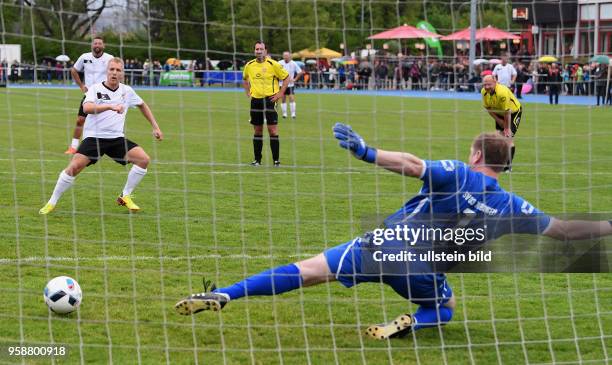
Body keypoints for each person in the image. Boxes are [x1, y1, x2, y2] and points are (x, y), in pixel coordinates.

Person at [174, 124, 612, 340]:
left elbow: (412, 164)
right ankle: (410, 322)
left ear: (477, 153)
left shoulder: (459, 173)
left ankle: (227, 293)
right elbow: (567, 232)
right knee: (446, 307)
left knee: (305, 271)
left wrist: (367, 152)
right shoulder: (513, 205)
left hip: (382, 244)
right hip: (424, 266)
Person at [39, 58, 163, 215]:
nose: (114, 73)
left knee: (143, 160)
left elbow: (142, 105)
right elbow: (87, 107)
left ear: (122, 73)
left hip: (116, 139)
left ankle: (125, 196)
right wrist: (109, 106)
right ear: (107, 71)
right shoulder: (95, 88)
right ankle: (52, 202)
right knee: (73, 168)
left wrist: (155, 126)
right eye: (112, 69)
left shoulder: (127, 91)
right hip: (94, 138)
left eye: (118, 70)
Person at [242, 41, 289, 167]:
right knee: (257, 131)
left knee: (272, 130)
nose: (259, 51)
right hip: (255, 101)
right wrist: (248, 93)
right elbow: (245, 79)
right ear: (254, 51)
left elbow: (286, 77)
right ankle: (257, 160)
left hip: (270, 100)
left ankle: (276, 161)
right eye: (257, 49)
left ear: (266, 51)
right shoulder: (249, 65)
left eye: (261, 49)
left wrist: (280, 93)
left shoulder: (273, 64)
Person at [65, 37, 114, 154]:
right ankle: (73, 147)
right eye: (95, 43)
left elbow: (116, 72)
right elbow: (74, 70)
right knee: (80, 120)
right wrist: (82, 86)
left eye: (99, 43)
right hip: (90, 95)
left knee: (107, 122)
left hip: (105, 95)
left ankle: (110, 147)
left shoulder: (110, 58)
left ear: (103, 46)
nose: (97, 45)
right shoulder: (84, 57)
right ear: (92, 45)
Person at [481, 75, 522, 171]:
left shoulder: (502, 92)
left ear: (495, 82)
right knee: (499, 140)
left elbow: (507, 112)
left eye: (489, 84)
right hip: (499, 114)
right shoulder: (484, 92)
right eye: (485, 84)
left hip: (513, 113)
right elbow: (488, 108)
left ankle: (508, 166)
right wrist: (499, 120)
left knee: (508, 137)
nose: (486, 87)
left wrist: (507, 128)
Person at [278, 51, 303, 119]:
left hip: (290, 85)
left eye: (287, 55)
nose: (285, 57)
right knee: (283, 99)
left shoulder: (293, 63)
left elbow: (300, 72)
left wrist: (295, 79)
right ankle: (284, 113)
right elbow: (275, 71)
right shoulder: (279, 63)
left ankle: (293, 114)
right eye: (284, 55)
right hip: (281, 84)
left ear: (289, 56)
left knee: (291, 98)